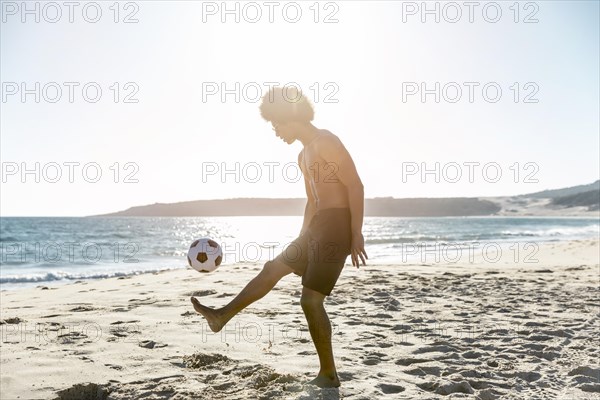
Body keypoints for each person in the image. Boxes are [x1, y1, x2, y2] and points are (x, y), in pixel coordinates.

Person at [191, 86, 367, 388]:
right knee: (272, 269)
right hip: (317, 228)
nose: (275, 131)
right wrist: (303, 238)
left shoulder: (327, 142)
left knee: (310, 301)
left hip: (337, 226)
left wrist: (356, 233)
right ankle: (221, 316)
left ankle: (328, 374)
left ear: (291, 117)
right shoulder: (303, 154)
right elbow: (312, 201)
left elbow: (355, 186)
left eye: (276, 124)